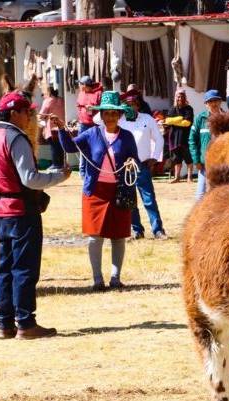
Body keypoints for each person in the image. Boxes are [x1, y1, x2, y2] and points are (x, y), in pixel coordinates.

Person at [0, 91, 71, 339]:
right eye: (26, 112)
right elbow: (30, 179)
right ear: (14, 113)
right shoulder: (16, 138)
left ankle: (5, 322)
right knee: (25, 268)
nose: (29, 117)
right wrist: (58, 176)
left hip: (1, 209)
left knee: (6, 267)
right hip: (21, 211)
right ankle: (26, 322)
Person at [56, 91, 141, 291]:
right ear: (101, 115)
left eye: (113, 113)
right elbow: (70, 147)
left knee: (118, 235)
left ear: (119, 115)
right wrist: (61, 129)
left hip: (119, 191)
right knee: (95, 236)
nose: (110, 116)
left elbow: (136, 159)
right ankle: (97, 279)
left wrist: (131, 162)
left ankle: (115, 277)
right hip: (95, 191)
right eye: (106, 113)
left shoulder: (127, 137)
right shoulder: (92, 134)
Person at [95, 90, 167, 240]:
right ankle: (137, 230)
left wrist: (154, 158)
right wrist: (116, 107)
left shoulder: (147, 119)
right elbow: (97, 119)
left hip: (142, 164)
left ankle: (158, 229)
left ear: (138, 105)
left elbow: (159, 140)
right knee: (129, 199)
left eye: (133, 104)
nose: (131, 107)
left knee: (149, 199)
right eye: (127, 105)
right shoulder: (118, 120)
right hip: (124, 166)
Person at [190, 89, 224, 200]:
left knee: (221, 195)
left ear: (220, 102)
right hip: (205, 165)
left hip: (223, 164)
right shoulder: (200, 119)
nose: (213, 104)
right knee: (200, 196)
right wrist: (196, 160)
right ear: (206, 104)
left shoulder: (227, 118)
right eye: (210, 101)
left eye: (216, 100)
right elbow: (192, 140)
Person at [165, 89, 195, 183]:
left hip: (185, 137)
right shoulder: (172, 109)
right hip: (174, 138)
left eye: (182, 96)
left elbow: (187, 123)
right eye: (178, 96)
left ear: (185, 97)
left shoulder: (188, 109)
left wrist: (174, 121)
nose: (180, 98)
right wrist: (180, 118)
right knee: (177, 159)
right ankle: (177, 177)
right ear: (175, 97)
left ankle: (189, 177)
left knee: (188, 159)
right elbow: (167, 121)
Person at [38, 86, 66, 170]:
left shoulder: (48, 101)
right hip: (61, 126)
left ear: (49, 92)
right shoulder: (61, 100)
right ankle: (61, 164)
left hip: (51, 127)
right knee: (60, 146)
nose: (43, 95)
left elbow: (41, 115)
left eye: (44, 93)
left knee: (54, 146)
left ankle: (56, 164)